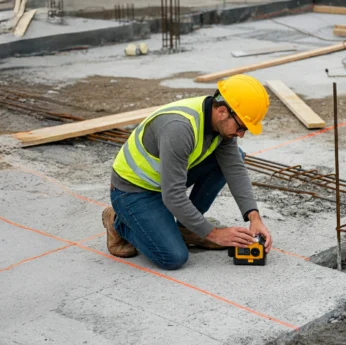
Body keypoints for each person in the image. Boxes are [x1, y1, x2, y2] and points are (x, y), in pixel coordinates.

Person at [101, 74, 274, 270]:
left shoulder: (220, 123)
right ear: (223, 111)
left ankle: (186, 229)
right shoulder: (179, 129)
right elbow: (173, 196)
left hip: (165, 181)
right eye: (241, 126)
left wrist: (254, 218)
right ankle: (117, 221)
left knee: (235, 157)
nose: (241, 134)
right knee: (173, 256)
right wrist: (214, 233)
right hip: (133, 191)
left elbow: (234, 167)